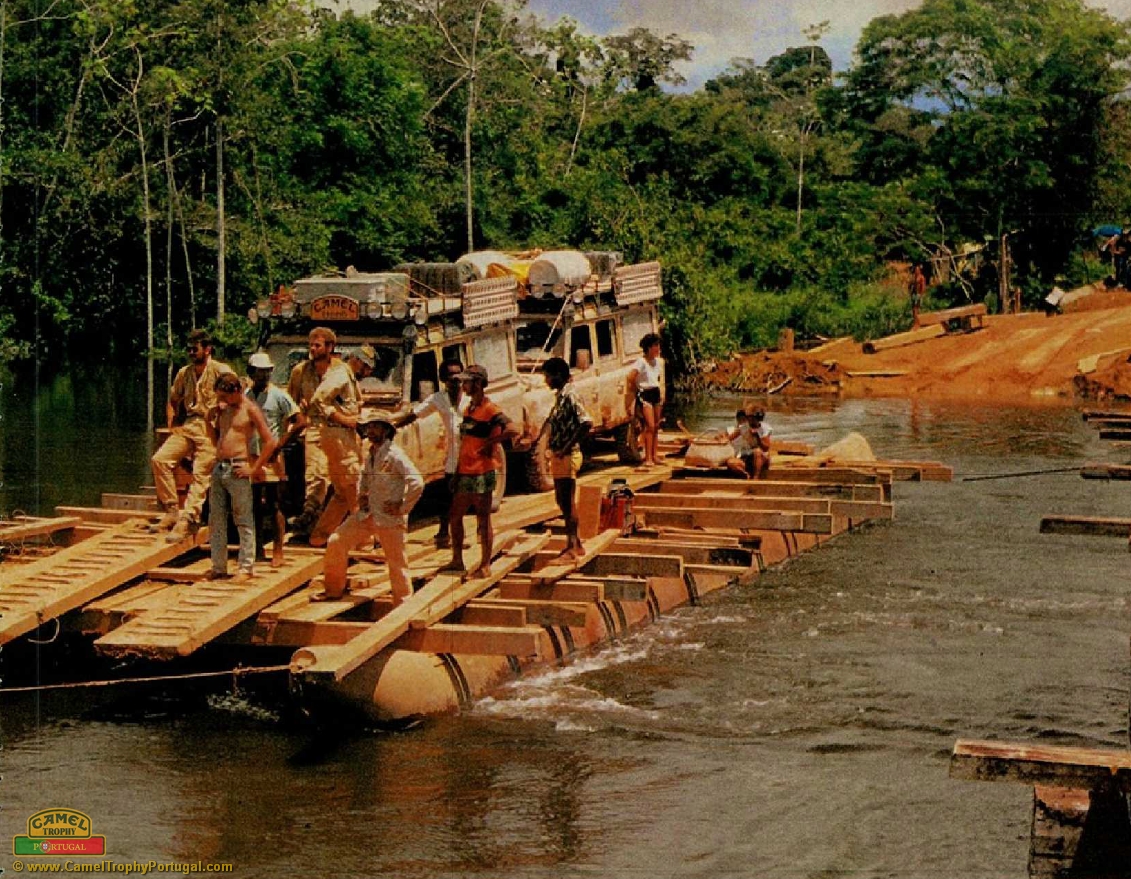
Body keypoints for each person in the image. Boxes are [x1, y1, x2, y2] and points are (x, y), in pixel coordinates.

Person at [320, 411, 424, 603]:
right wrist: (362, 496)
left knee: (397, 563)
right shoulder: (371, 454)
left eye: (376, 427)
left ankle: (403, 604)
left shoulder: (395, 455)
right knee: (336, 541)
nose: (371, 431)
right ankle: (333, 590)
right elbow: (364, 478)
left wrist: (402, 506)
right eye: (369, 427)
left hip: (389, 518)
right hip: (368, 515)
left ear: (386, 431)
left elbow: (417, 482)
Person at [151, 329, 234, 541]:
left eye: (194, 349)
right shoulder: (184, 373)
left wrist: (224, 409)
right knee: (160, 460)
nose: (190, 353)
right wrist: (173, 425)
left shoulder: (220, 370)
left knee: (201, 472)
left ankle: (188, 519)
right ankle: (171, 510)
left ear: (207, 349)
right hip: (189, 424)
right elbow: (173, 400)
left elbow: (238, 394)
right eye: (188, 349)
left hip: (210, 427)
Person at [443, 365, 519, 579]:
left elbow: (513, 429)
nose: (463, 385)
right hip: (465, 471)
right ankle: (457, 560)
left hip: (482, 472)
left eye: (467, 382)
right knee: (455, 516)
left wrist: (491, 443)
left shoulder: (490, 409)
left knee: (482, 520)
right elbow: (465, 442)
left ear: (477, 383)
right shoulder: (469, 409)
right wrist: (457, 472)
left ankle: (485, 564)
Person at [205, 373, 278, 582]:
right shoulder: (224, 409)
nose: (222, 400)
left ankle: (246, 567)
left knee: (243, 519)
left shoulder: (250, 409)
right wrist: (209, 419)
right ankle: (218, 566)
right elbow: (216, 438)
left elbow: (270, 441)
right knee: (216, 519)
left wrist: (254, 468)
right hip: (220, 466)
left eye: (225, 396)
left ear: (236, 391)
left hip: (238, 467)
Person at [395, 358, 466, 548]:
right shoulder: (438, 399)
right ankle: (444, 533)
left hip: (473, 454)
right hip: (454, 455)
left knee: (474, 497)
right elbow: (415, 414)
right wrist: (393, 427)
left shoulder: (470, 396)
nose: (455, 379)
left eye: (458, 374)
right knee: (449, 496)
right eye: (450, 375)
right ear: (443, 379)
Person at [305, 338, 364, 548]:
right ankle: (363, 542)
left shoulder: (347, 376)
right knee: (355, 489)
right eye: (366, 368)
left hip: (341, 436)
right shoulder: (340, 375)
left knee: (341, 494)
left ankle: (320, 535)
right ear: (358, 361)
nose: (366, 373)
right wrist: (344, 419)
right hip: (339, 435)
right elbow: (318, 400)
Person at [246, 351, 302, 568]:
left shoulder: (279, 395)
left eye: (267, 372)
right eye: (259, 372)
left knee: (275, 503)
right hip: (251, 456)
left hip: (272, 457)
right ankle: (257, 548)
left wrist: (280, 444)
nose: (263, 376)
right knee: (253, 503)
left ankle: (278, 550)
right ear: (251, 373)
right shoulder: (245, 395)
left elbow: (300, 421)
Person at [537, 357, 592, 560]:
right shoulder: (561, 396)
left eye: (548, 376)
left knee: (567, 501)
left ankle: (572, 546)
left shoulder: (570, 395)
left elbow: (586, 422)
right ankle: (575, 543)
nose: (546, 381)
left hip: (568, 455)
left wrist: (565, 448)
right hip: (561, 455)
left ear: (558, 375)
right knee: (561, 500)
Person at [287, 327, 338, 537]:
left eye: (317, 345)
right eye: (311, 345)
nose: (313, 349)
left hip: (338, 426)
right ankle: (310, 512)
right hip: (314, 426)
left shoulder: (340, 371)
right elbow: (290, 403)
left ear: (330, 347)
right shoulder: (300, 371)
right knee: (316, 471)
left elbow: (354, 401)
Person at [625, 333, 665, 467]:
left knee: (657, 425)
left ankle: (654, 455)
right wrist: (636, 390)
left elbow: (656, 378)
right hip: (645, 394)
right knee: (650, 426)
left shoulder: (657, 362)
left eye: (658, 345)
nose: (658, 348)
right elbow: (630, 377)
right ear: (649, 347)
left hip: (655, 393)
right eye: (655, 346)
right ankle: (648, 458)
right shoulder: (641, 362)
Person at [720, 409, 755, 479]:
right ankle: (744, 473)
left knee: (732, 462)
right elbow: (723, 439)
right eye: (740, 419)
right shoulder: (730, 430)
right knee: (731, 462)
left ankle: (747, 473)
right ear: (737, 419)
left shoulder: (751, 431)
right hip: (735, 458)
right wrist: (720, 437)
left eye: (744, 419)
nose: (742, 421)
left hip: (747, 458)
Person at [749, 409, 773, 479]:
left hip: (762, 455)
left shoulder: (765, 428)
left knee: (757, 452)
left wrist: (757, 436)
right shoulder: (745, 427)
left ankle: (756, 477)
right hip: (747, 452)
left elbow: (766, 447)